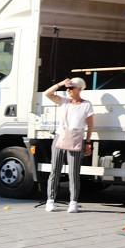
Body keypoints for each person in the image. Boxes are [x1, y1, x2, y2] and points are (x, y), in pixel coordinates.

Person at [44, 76, 94, 213]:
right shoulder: (64, 102)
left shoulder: (86, 105)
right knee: (55, 169)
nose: (68, 90)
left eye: (71, 88)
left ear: (79, 89)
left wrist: (88, 143)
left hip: (76, 139)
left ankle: (73, 202)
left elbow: (90, 126)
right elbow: (47, 94)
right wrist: (61, 83)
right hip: (60, 137)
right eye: (67, 88)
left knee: (74, 172)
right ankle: (50, 200)